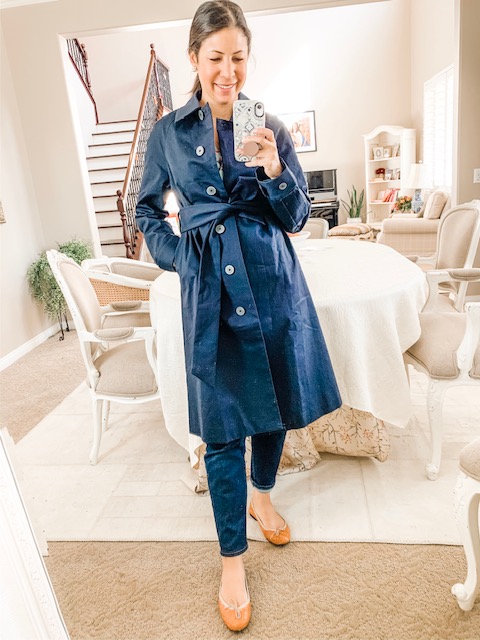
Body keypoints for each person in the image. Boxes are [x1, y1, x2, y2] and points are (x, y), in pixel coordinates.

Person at [136, 0, 341, 631]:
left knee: (273, 406)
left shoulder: (267, 125)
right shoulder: (168, 134)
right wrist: (182, 257)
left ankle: (263, 497)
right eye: (216, 57)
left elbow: (298, 216)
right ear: (194, 58)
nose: (228, 71)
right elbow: (146, 212)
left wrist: (275, 168)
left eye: (239, 58)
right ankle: (232, 562)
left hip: (272, 281)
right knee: (223, 428)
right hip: (211, 292)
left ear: (249, 59)